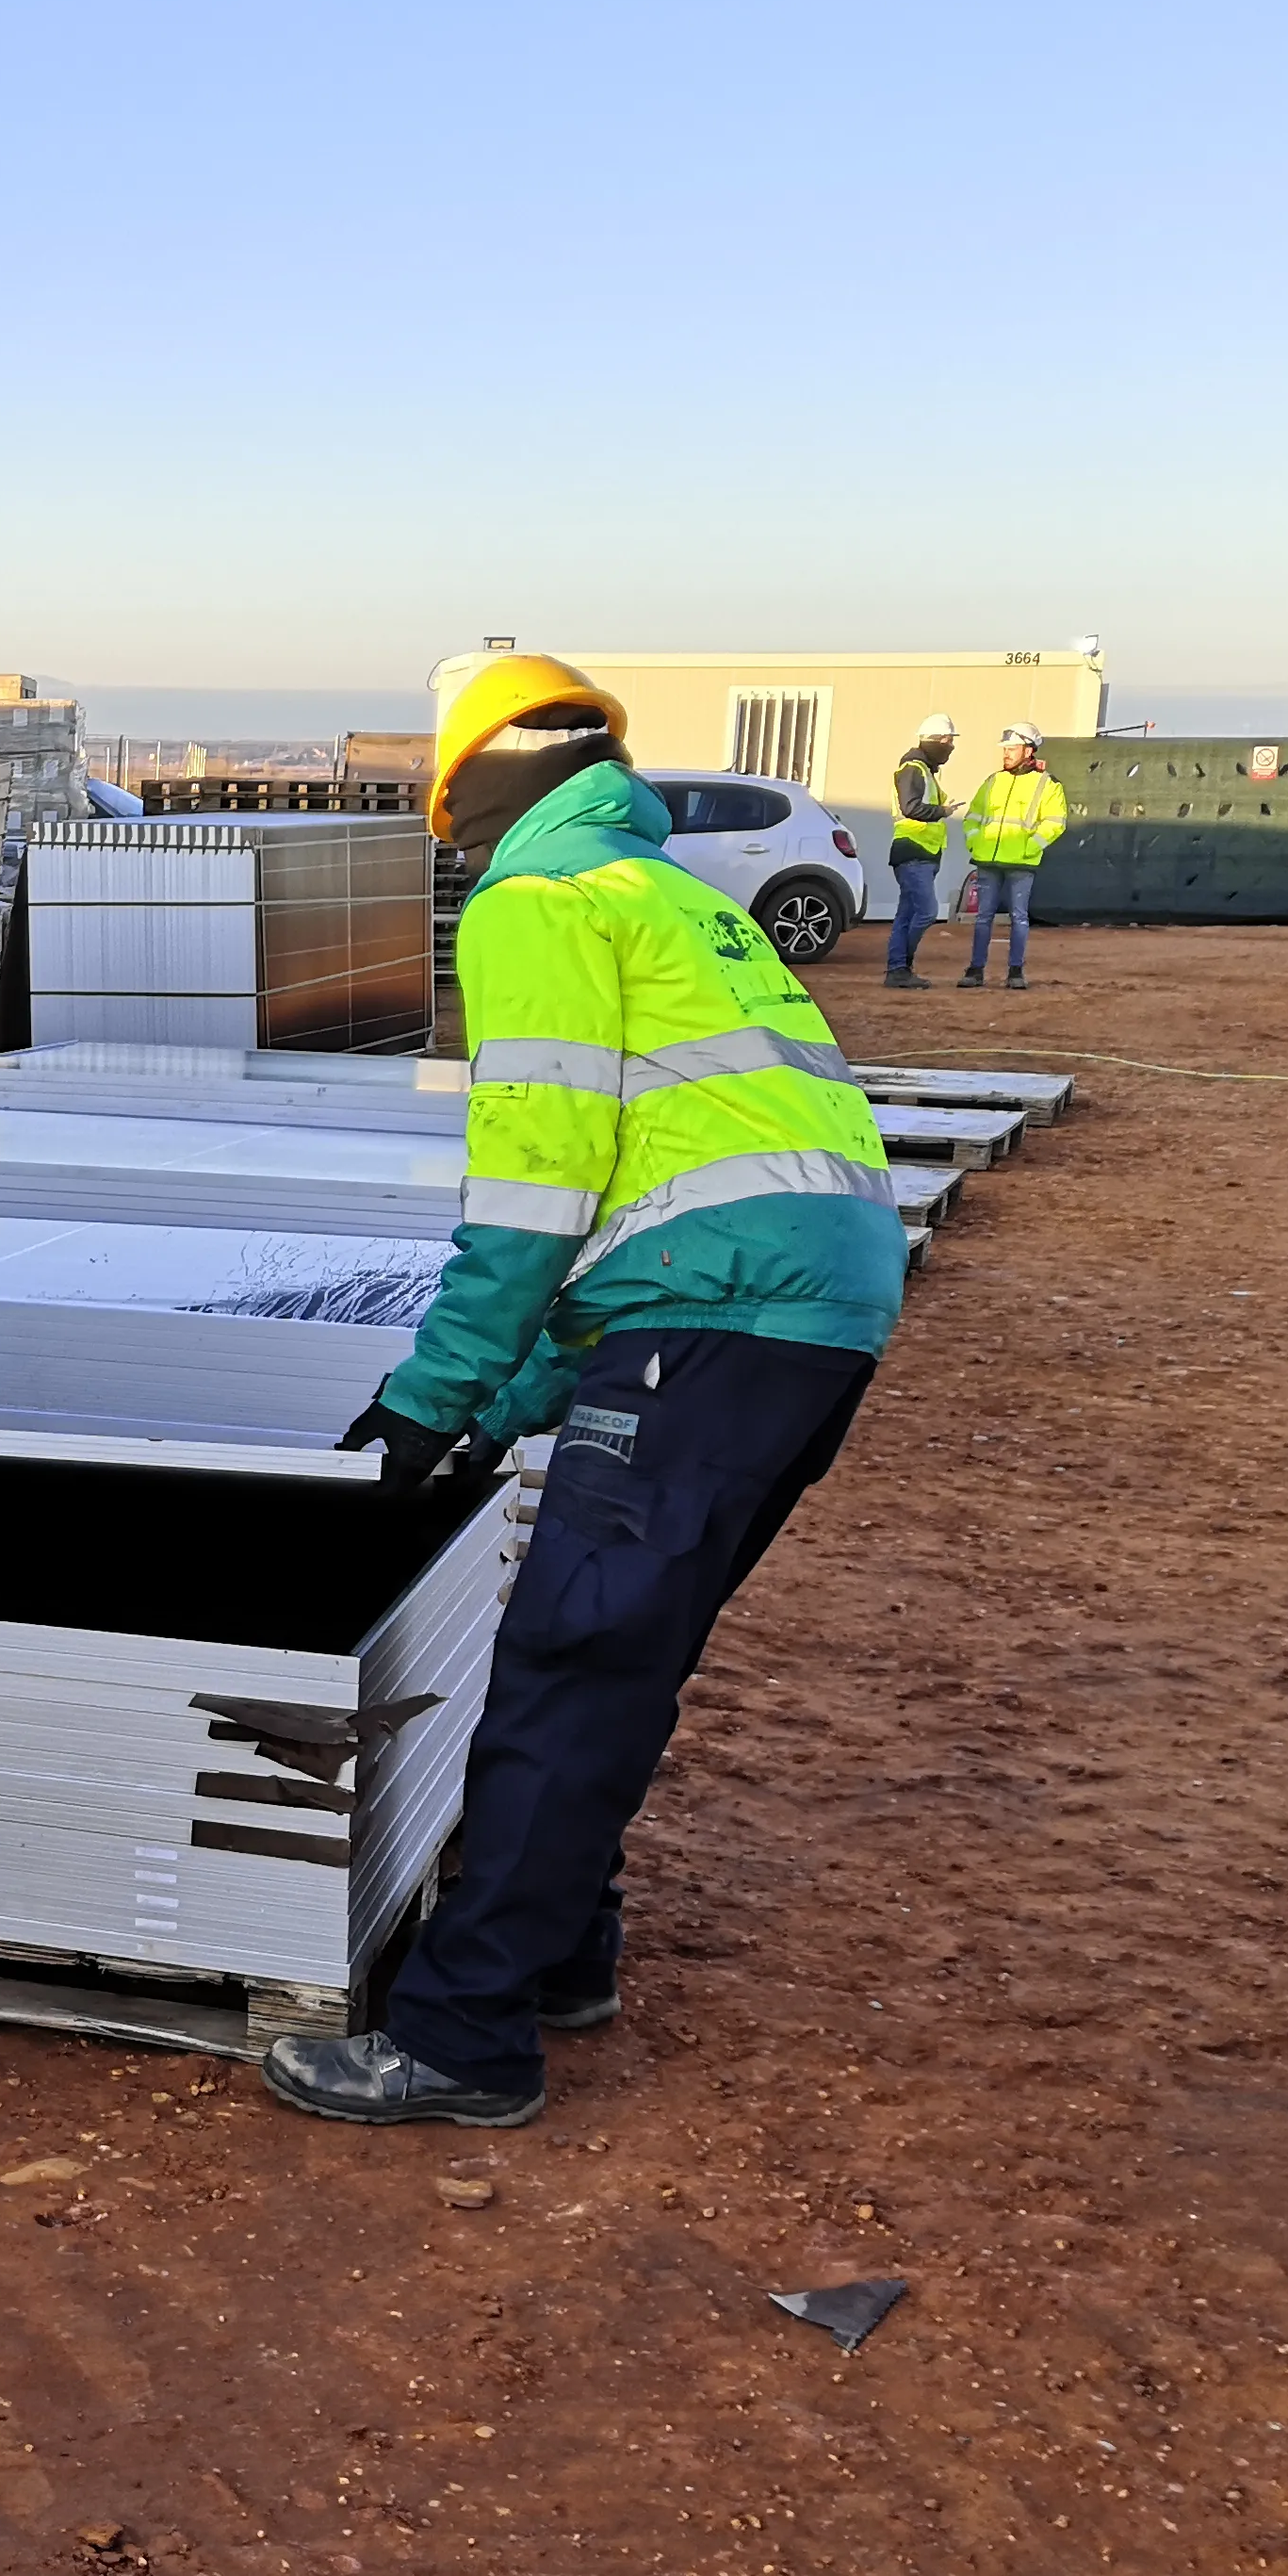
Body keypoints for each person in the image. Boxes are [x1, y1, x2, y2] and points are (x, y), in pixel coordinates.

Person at [263, 654, 906, 2130]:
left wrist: (434, 1394)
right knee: (612, 1644)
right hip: (794, 1311)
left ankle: (464, 2037)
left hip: (726, 1314)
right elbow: (643, 1225)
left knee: (570, 1656)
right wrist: (507, 1408)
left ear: (472, 789)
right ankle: (559, 1957)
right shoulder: (670, 895)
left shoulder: (538, 905)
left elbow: (537, 1193)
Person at [960, 725, 1068, 988]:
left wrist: (1030, 847)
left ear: (1028, 750)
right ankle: (976, 970)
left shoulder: (1047, 784)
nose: (1006, 754)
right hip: (988, 860)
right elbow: (973, 816)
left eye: (1012, 749)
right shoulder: (992, 780)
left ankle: (1016, 972)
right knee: (984, 916)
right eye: (1005, 749)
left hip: (1021, 862)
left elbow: (1056, 822)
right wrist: (975, 841)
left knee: (1019, 917)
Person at [878, 712, 958, 988]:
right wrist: (943, 811)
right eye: (947, 740)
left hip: (922, 852)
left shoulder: (922, 770)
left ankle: (897, 970)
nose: (950, 746)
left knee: (906, 914)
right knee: (925, 912)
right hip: (914, 850)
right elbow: (910, 807)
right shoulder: (914, 769)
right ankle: (902, 965)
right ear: (934, 740)